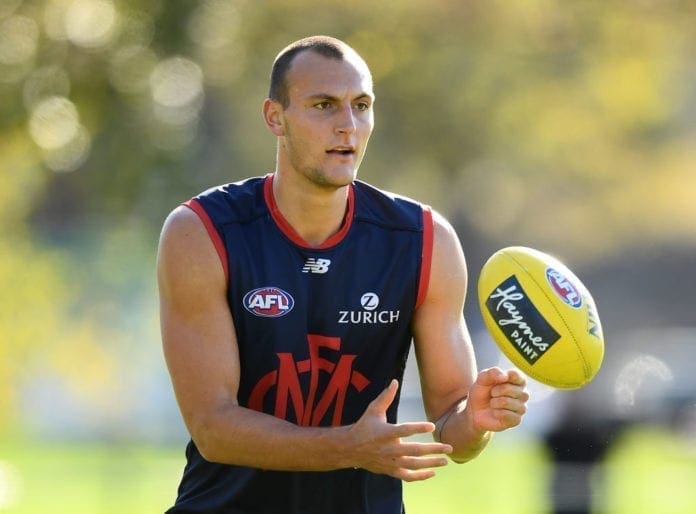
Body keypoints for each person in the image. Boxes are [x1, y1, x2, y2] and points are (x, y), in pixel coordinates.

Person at [157, 35, 529, 514]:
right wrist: (349, 447)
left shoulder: (425, 241)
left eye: (361, 105)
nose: (347, 125)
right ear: (275, 117)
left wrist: (476, 420)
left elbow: (452, 429)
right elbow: (214, 429)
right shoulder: (202, 233)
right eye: (324, 105)